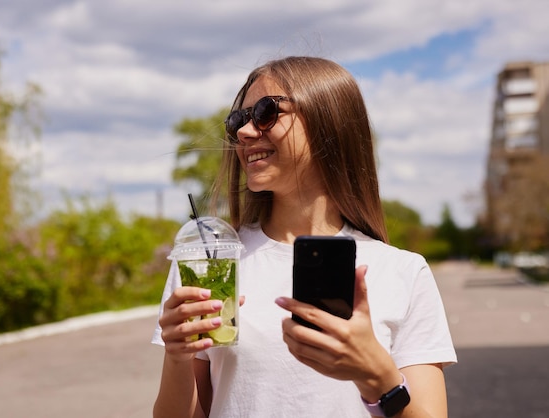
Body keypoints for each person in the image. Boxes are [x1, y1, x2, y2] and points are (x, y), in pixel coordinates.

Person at [151, 56, 457, 418]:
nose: (245, 133)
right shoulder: (213, 261)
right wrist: (176, 356)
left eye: (265, 112)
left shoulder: (403, 271)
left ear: (329, 121)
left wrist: (378, 376)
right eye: (238, 120)